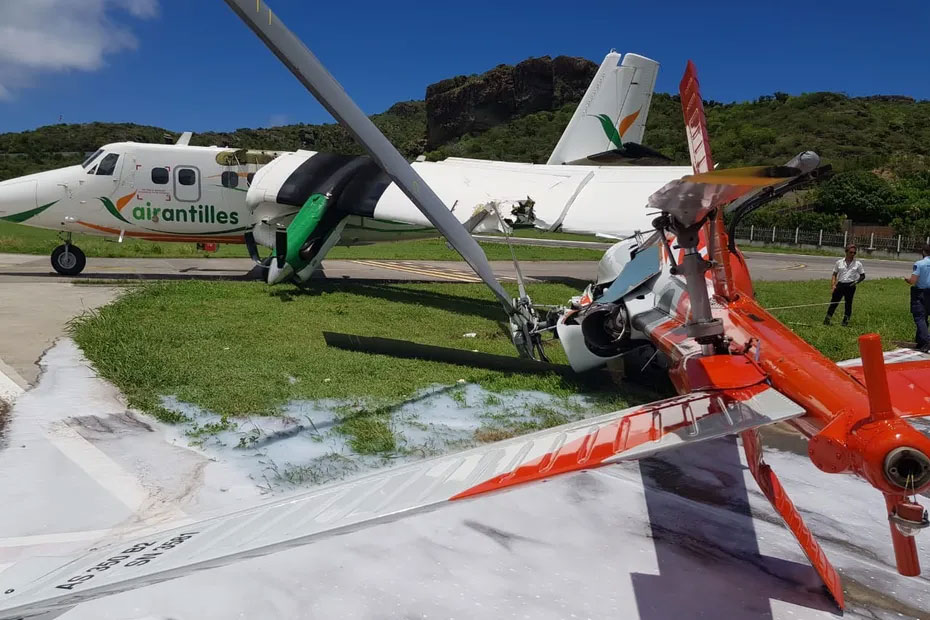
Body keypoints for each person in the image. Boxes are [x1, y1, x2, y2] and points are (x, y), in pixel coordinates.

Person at [824, 244, 865, 326]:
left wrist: (855, 283)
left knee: (848, 304)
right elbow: (834, 274)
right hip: (840, 285)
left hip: (850, 286)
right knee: (834, 303)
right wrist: (833, 285)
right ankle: (827, 320)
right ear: (846, 252)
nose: (853, 254)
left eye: (854, 253)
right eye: (851, 252)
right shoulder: (839, 262)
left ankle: (845, 322)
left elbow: (862, 276)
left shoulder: (858, 264)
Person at [905, 244, 930, 352]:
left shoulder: (919, 264)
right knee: (925, 317)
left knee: (919, 317)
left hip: (921, 293)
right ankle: (920, 340)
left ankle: (926, 341)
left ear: (923, 252)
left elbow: (913, 281)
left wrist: (906, 279)